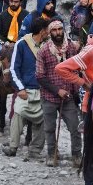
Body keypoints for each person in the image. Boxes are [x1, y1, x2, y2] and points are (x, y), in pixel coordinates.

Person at [56, 13, 93, 185]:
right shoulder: (91, 50)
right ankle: (90, 183)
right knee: (92, 144)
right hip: (92, 105)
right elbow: (62, 68)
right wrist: (83, 83)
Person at [35, 20, 81, 167]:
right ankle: (51, 153)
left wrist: (74, 91)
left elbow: (77, 69)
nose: (58, 33)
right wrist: (57, 90)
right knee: (49, 128)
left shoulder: (72, 48)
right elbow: (40, 77)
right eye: (54, 30)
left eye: (60, 29)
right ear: (50, 33)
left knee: (74, 127)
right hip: (49, 96)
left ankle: (77, 155)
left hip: (68, 97)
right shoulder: (43, 51)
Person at [3, 17, 50, 158]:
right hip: (25, 90)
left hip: (42, 91)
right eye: (47, 30)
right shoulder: (21, 44)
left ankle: (35, 150)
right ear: (42, 32)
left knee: (43, 120)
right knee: (17, 115)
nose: (49, 33)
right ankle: (13, 147)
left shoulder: (48, 46)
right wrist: (20, 88)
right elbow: (14, 69)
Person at [0, 0, 29, 85]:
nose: (13, 4)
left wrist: (19, 42)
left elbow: (29, 31)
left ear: (20, 2)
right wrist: (5, 43)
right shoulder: (2, 15)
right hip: (5, 44)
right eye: (11, 1)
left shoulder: (26, 15)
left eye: (16, 2)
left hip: (22, 43)